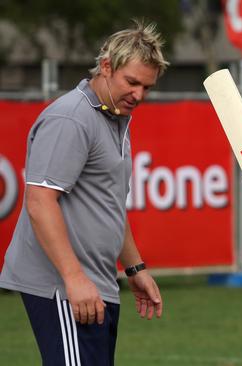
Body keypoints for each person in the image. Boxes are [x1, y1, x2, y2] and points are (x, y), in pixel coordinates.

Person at [0, 20, 168, 365]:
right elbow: (39, 201)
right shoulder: (71, 118)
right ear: (106, 67)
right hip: (61, 286)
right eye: (131, 82)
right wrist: (74, 278)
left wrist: (135, 269)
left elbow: (108, 206)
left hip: (96, 283)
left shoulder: (117, 117)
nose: (138, 94)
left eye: (146, 87)